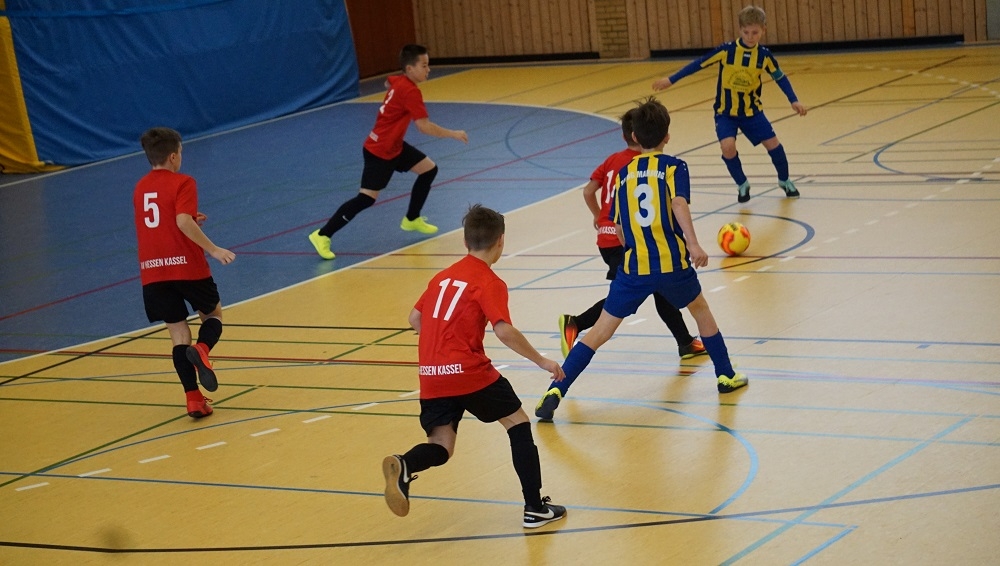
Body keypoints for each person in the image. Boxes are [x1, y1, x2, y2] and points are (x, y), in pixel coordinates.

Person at [536, 98, 747, 422]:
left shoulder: (623, 173)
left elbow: (620, 227)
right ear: (667, 135)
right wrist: (693, 244)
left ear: (634, 136)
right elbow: (678, 204)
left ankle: (555, 390)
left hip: (634, 268)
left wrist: (632, 253)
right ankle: (725, 375)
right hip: (672, 264)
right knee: (700, 311)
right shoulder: (675, 167)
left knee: (598, 333)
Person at [382, 204, 567, 528]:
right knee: (518, 424)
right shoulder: (488, 281)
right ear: (501, 241)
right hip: (468, 371)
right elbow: (504, 330)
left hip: (431, 375)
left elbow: (414, 319)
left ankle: (406, 463)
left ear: (466, 241)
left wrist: (441, 345)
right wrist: (541, 360)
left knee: (441, 446)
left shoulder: (441, 278)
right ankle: (534, 507)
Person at [553, 109, 707, 396]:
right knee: (631, 293)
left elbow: (588, 191)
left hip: (606, 237)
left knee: (653, 288)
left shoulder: (613, 160)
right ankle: (577, 322)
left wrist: (599, 217)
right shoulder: (643, 166)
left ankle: (685, 341)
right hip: (629, 238)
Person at [308, 44, 469, 260]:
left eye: (428, 65)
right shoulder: (410, 91)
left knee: (429, 170)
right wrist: (453, 133)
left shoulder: (399, 81)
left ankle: (411, 219)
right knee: (366, 199)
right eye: (424, 65)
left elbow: (388, 80)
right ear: (410, 69)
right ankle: (322, 234)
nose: (428, 69)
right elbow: (423, 127)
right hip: (380, 151)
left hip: (394, 146)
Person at [652, 5, 807, 203]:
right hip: (725, 113)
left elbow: (780, 78)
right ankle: (742, 184)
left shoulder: (764, 56)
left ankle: (784, 180)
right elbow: (698, 64)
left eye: (755, 33)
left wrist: (793, 100)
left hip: (752, 112)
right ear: (740, 30)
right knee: (728, 147)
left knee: (773, 145)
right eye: (746, 32)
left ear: (763, 30)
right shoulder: (727, 51)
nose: (750, 37)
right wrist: (671, 80)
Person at [133, 127, 235, 418]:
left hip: (153, 271)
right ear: (173, 156)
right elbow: (181, 222)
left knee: (178, 334)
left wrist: (189, 218)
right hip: (186, 265)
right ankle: (203, 349)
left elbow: (159, 222)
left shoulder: (140, 188)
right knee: (213, 315)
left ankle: (193, 400)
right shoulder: (183, 181)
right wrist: (213, 249)